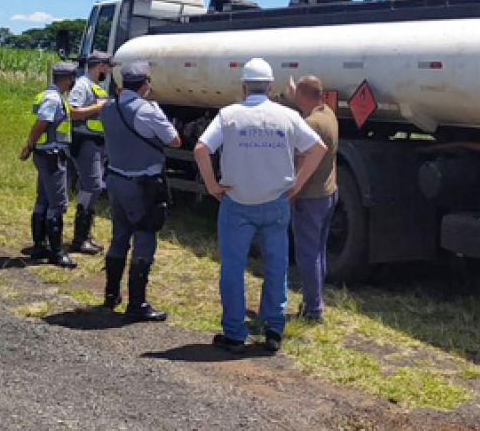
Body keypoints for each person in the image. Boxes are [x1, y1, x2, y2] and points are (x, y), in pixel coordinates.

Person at [193, 58, 327, 353]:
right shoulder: (287, 116)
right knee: (276, 266)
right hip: (275, 201)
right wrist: (298, 183)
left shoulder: (228, 115)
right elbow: (318, 148)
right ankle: (273, 329)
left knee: (232, 267)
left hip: (237, 202)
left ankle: (234, 333)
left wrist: (213, 186)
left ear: (243, 87)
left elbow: (201, 148)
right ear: (270, 87)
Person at [99, 60, 181, 323]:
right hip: (143, 183)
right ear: (145, 84)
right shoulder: (147, 111)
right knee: (144, 238)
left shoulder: (108, 108)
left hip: (116, 178)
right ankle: (137, 303)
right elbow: (174, 140)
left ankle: (111, 295)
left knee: (119, 236)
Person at [288, 76, 339, 322]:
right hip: (329, 192)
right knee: (319, 251)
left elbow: (301, 159)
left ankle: (312, 309)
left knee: (307, 254)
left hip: (310, 197)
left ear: (300, 95)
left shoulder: (309, 125)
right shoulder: (328, 114)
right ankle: (316, 299)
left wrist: (292, 189)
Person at [19, 61, 78, 269]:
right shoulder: (53, 99)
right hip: (52, 155)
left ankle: (39, 245)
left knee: (43, 199)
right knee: (58, 204)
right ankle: (56, 251)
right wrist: (29, 145)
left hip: (46, 154)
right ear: (69, 79)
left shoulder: (48, 95)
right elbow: (41, 123)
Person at [67, 51, 111, 254]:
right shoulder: (82, 85)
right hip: (84, 143)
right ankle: (79, 238)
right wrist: (96, 107)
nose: (108, 70)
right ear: (99, 65)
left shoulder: (96, 86)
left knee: (94, 186)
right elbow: (72, 111)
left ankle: (84, 235)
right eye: (107, 66)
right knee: (91, 187)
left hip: (96, 143)